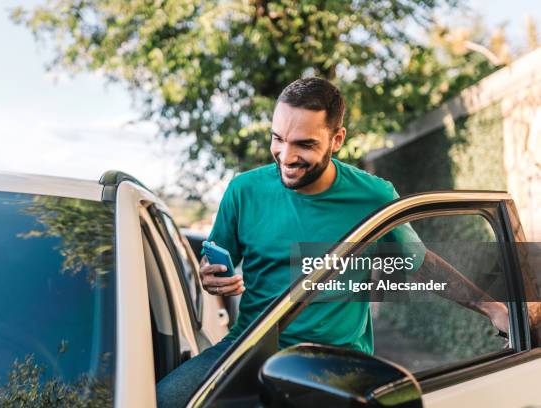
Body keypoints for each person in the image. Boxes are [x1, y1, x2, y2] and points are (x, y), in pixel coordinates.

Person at [156, 77, 509, 408]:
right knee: (160, 401)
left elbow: (419, 263)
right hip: (249, 349)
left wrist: (492, 308)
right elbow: (215, 266)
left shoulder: (373, 196)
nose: (286, 156)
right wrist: (210, 277)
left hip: (335, 363)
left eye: (304, 144)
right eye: (278, 138)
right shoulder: (243, 191)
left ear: (336, 140)